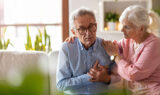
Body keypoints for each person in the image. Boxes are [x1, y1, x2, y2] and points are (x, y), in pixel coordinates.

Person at [89, 5, 160, 95]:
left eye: (126, 27)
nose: (121, 30)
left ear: (141, 29)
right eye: (122, 25)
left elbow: (133, 74)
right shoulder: (128, 41)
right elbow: (106, 47)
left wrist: (115, 56)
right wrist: (76, 40)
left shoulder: (155, 45)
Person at [56, 7, 120, 95]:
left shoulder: (106, 46)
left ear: (96, 26)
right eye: (81, 29)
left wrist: (107, 78)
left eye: (91, 26)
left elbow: (120, 77)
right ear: (74, 32)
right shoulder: (67, 48)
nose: (88, 33)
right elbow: (61, 85)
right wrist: (88, 77)